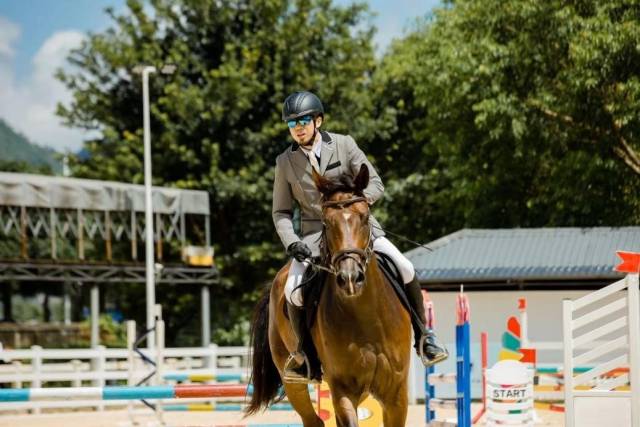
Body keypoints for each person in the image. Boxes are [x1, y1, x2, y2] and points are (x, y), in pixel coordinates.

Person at [272, 90, 448, 383]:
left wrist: (352, 209)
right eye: (292, 123)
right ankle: (305, 357)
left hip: (357, 229)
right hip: (315, 235)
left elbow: (376, 183)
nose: (298, 127)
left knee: (404, 266)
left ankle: (425, 338)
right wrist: (293, 242)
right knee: (292, 288)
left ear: (318, 120)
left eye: (303, 120)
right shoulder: (285, 162)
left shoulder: (343, 144)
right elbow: (280, 212)